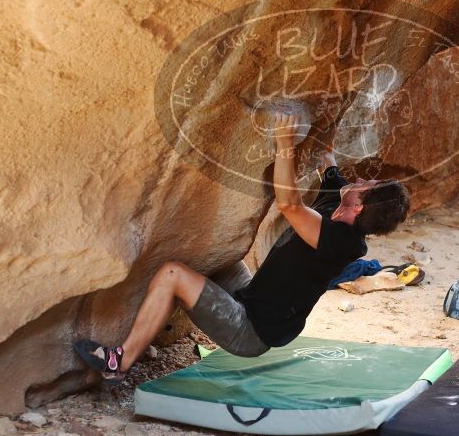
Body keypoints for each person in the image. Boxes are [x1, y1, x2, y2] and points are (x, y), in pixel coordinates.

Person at [75, 110, 410, 377]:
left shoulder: (343, 241)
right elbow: (328, 157)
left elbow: (290, 204)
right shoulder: (338, 203)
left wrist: (284, 144)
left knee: (171, 273)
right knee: (221, 254)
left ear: (360, 205)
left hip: (250, 331)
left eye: (369, 183)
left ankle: (119, 363)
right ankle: (164, 313)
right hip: (252, 296)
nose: (363, 178)